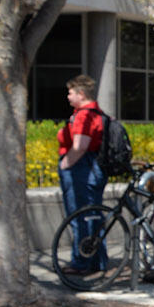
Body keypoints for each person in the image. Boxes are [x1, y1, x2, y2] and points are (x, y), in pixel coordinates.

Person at [57, 75, 108, 273]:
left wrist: (64, 165)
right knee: (92, 215)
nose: (68, 97)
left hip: (80, 169)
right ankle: (97, 260)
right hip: (94, 168)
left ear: (81, 94)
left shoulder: (84, 116)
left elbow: (79, 146)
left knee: (79, 216)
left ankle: (81, 261)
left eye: (70, 93)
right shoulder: (97, 112)